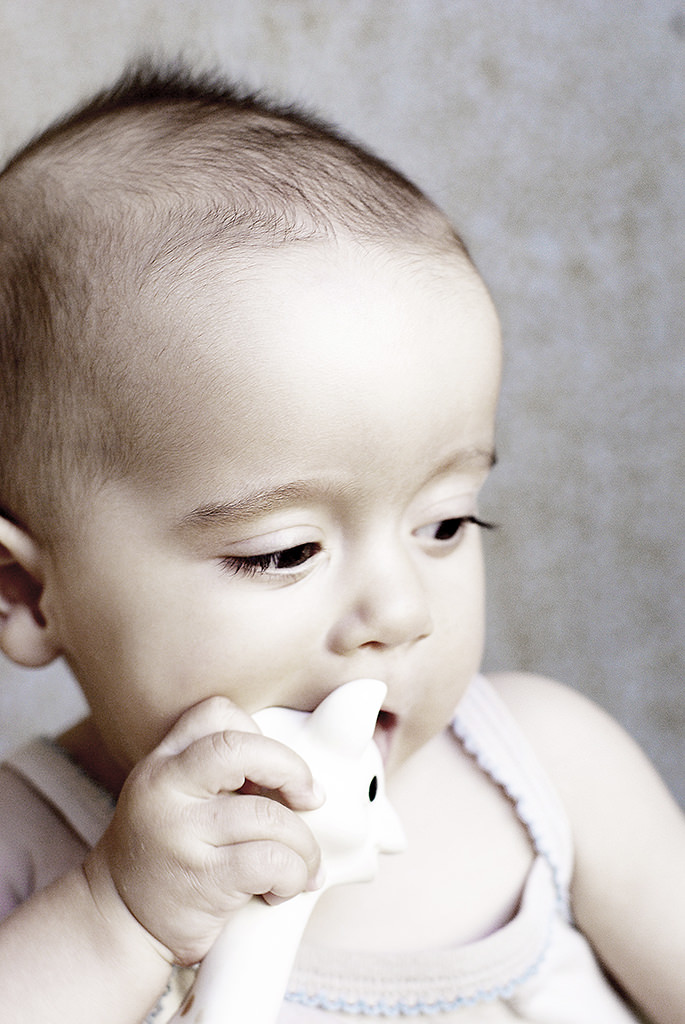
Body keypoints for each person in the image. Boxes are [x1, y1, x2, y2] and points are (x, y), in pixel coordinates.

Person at [0, 62, 683, 1024]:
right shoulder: (27, 852)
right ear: (26, 595)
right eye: (284, 552)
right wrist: (118, 918)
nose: (399, 614)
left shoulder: (550, 773)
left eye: (444, 524)